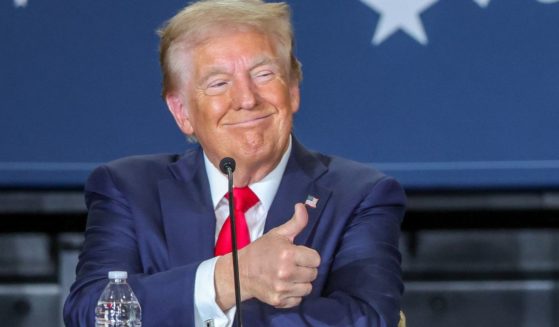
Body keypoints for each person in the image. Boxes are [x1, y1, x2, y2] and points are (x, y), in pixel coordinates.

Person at [63, 0, 406, 326]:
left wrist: (206, 308)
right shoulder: (129, 189)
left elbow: (369, 318)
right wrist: (229, 278)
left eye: (263, 74)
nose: (246, 99)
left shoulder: (358, 195)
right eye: (219, 83)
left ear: (293, 90)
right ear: (182, 112)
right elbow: (91, 312)